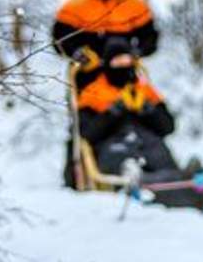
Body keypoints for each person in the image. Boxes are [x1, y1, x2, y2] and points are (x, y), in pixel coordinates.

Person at [75, 37, 178, 177]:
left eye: (125, 58)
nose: (123, 63)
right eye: (117, 60)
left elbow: (168, 127)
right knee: (122, 159)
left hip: (147, 140)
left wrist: (151, 111)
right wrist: (111, 113)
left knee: (161, 158)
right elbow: (87, 134)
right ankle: (136, 182)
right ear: (108, 63)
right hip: (113, 142)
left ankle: (180, 182)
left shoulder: (145, 89)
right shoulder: (93, 92)